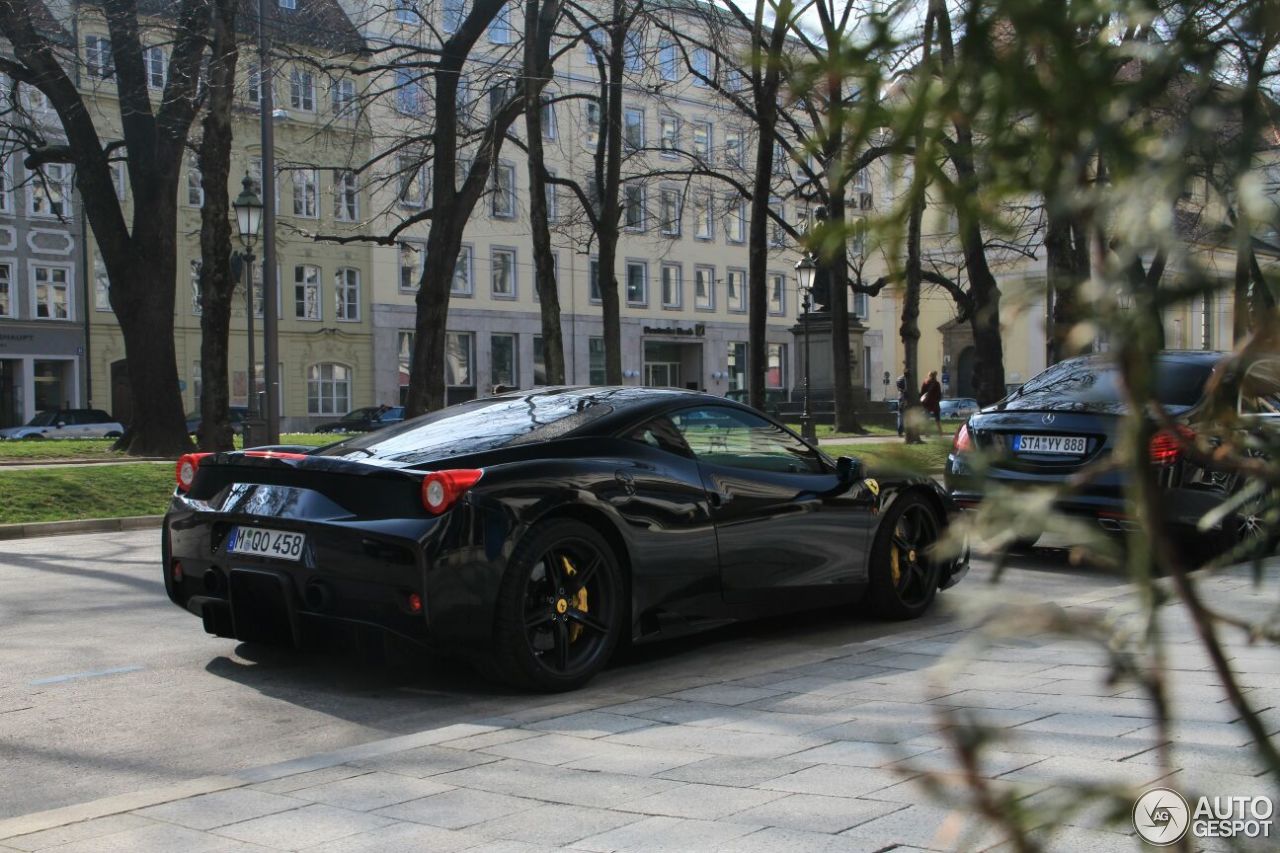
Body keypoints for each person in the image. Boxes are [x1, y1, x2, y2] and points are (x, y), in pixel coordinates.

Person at [920, 370, 943, 434]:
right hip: (935, 403)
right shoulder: (936, 383)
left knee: (927, 418)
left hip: (927, 403)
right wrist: (938, 400)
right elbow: (939, 394)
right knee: (937, 418)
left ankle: (927, 432)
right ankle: (940, 432)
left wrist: (923, 402)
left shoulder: (925, 383)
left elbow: (922, 393)